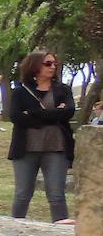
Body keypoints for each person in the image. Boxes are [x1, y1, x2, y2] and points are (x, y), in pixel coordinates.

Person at [8, 51, 75, 224]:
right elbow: (16, 117)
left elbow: (68, 112)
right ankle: (12, 229)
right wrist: (53, 113)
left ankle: (62, 235)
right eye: (48, 63)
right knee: (22, 194)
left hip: (56, 148)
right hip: (26, 149)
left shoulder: (63, 90)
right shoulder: (20, 92)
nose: (53, 66)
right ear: (35, 66)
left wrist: (32, 113)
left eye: (54, 64)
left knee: (56, 194)